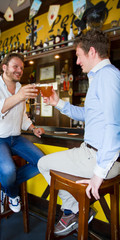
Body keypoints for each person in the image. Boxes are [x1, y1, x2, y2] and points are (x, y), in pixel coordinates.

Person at [38, 29, 120, 237]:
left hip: (100, 158)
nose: (77, 61)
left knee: (43, 164)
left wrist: (98, 175)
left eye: (78, 55)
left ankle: (74, 211)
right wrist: (58, 103)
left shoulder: (108, 76)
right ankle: (75, 209)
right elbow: (87, 114)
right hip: (93, 153)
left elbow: (114, 127)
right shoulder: (101, 77)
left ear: (92, 51)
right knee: (46, 163)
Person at [0, 52, 45, 213]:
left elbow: (21, 115)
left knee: (43, 162)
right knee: (8, 170)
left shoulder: (20, 89)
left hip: (15, 138)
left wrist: (32, 128)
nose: (19, 70)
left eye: (21, 68)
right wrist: (19, 96)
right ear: (4, 68)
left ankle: (3, 185)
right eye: (15, 66)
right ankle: (12, 193)